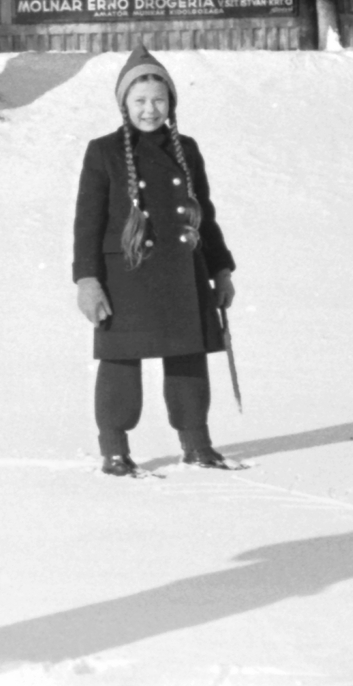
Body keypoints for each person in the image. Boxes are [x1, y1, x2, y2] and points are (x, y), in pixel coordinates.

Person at [72, 47, 239, 476]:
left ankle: (197, 444)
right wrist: (87, 280)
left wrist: (220, 269)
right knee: (121, 360)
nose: (150, 109)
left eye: (159, 100)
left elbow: (204, 214)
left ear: (171, 103)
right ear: (124, 104)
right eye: (140, 101)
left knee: (188, 357)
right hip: (125, 274)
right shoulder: (103, 151)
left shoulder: (187, 149)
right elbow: (87, 223)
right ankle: (114, 449)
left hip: (184, 270)